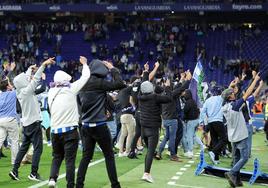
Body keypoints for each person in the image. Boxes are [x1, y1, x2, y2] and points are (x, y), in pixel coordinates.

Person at [76, 60, 125, 188]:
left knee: (86, 157)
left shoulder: (82, 83)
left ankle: (79, 185)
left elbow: (80, 104)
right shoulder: (99, 83)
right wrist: (112, 68)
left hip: (85, 126)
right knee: (109, 156)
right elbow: (120, 83)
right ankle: (115, 185)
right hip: (99, 125)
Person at [9, 58, 55, 181]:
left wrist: (29, 69)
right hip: (34, 123)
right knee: (38, 149)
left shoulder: (20, 91)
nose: (28, 78)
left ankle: (14, 171)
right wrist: (43, 64)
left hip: (26, 124)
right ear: (23, 82)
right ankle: (33, 173)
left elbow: (27, 79)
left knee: (24, 148)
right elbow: (35, 79)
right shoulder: (27, 91)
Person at [47, 56, 90, 188]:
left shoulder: (50, 92)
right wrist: (85, 64)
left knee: (57, 157)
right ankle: (70, 184)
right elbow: (85, 77)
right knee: (70, 160)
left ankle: (52, 179)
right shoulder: (71, 89)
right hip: (70, 130)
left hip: (54, 131)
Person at [222, 73, 261, 187]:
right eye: (233, 93)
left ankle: (237, 181)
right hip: (240, 135)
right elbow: (248, 92)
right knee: (244, 158)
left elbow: (225, 95)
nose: (234, 94)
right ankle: (232, 173)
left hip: (232, 136)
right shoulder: (235, 106)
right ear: (231, 97)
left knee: (236, 159)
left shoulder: (224, 105)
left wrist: (231, 85)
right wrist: (256, 80)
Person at [138, 80, 171, 183]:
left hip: (143, 128)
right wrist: (167, 87)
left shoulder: (140, 97)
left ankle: (146, 172)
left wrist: (146, 72)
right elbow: (169, 98)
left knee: (150, 152)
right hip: (152, 129)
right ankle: (146, 173)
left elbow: (142, 85)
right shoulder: (155, 97)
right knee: (150, 152)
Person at [199, 86, 227, 165]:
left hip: (210, 122)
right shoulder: (221, 99)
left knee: (215, 140)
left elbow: (203, 112)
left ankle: (216, 159)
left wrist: (204, 122)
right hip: (218, 120)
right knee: (224, 139)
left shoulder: (207, 100)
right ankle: (213, 152)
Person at [0, 76, 19, 165]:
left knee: (0, 140)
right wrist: (11, 85)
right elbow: (18, 87)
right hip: (11, 120)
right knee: (14, 140)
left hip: (1, 120)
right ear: (8, 87)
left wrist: (7, 83)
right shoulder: (13, 94)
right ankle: (14, 162)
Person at [181, 89, 200, 159]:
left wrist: (183, 119)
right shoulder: (193, 101)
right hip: (196, 120)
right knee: (193, 135)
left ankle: (190, 151)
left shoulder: (188, 102)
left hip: (191, 121)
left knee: (189, 136)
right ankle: (201, 146)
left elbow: (185, 111)